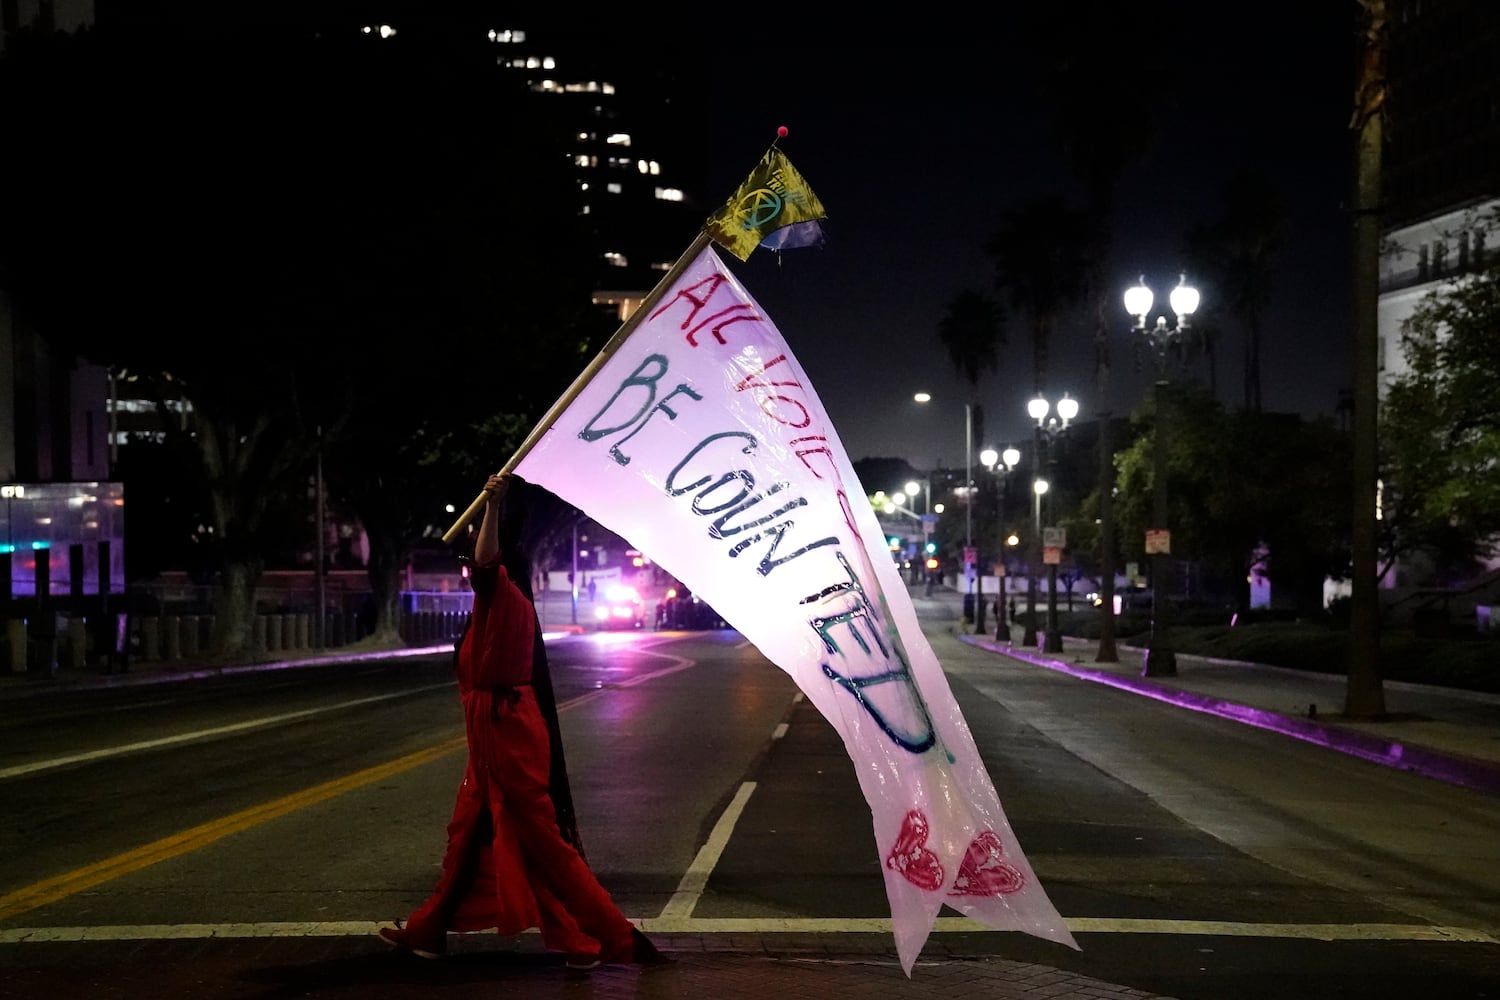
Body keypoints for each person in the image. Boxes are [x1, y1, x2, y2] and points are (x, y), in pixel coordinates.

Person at [379, 472, 664, 972]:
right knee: (472, 833)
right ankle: (430, 930)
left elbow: (486, 561)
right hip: (495, 735)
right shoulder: (501, 600)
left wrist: (491, 506)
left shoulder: (501, 591)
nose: (468, 555)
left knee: (545, 847)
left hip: (506, 738)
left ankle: (613, 938)